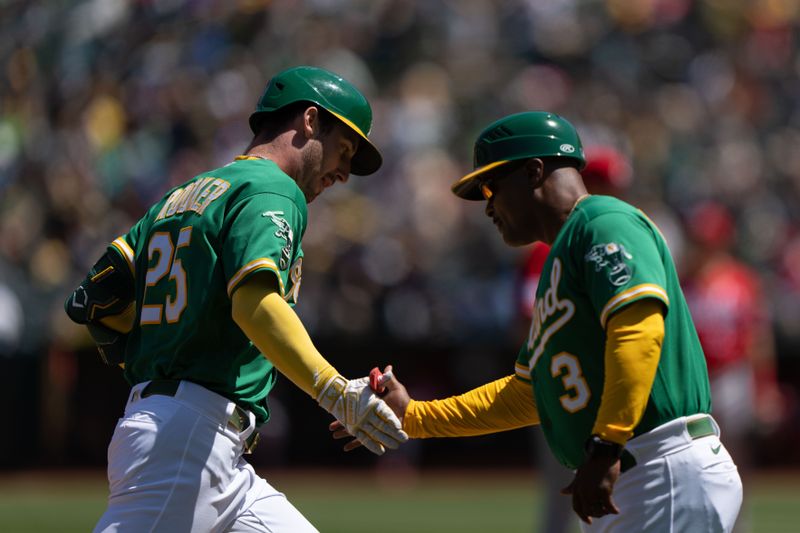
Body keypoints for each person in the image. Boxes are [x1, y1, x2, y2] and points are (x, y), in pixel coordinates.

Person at [335, 111, 743, 532]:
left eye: (491, 187)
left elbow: (638, 330)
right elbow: (529, 393)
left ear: (534, 171)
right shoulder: (557, 264)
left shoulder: (603, 221)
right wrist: (417, 416)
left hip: (660, 465)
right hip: (632, 470)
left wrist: (606, 444)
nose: (488, 206)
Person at [64, 65, 408, 532]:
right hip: (187, 440)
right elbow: (254, 303)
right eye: (342, 149)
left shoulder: (183, 194)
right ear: (310, 121)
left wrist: (160, 356)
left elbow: (96, 297)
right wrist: (333, 390)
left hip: (195, 437)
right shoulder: (274, 187)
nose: (344, 172)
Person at [515, 146, 632, 533]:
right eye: (599, 183)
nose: (605, 192)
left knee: (618, 497)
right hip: (564, 387)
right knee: (562, 493)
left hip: (608, 387)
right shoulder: (546, 250)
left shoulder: (615, 234)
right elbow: (528, 321)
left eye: (610, 185)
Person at [680, 201, 784, 532]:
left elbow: (757, 337)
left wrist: (765, 387)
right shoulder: (682, 282)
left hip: (732, 376)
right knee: (690, 458)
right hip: (694, 380)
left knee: (735, 455)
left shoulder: (741, 280)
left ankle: (738, 523)